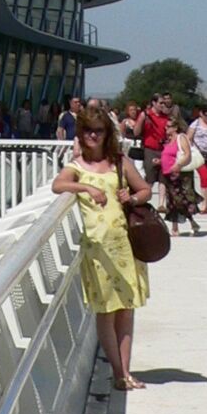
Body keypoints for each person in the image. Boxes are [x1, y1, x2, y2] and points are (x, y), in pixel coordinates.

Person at [52, 104, 151, 391]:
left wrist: (130, 198)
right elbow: (58, 185)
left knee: (126, 310)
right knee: (106, 311)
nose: (93, 136)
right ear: (80, 134)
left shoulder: (119, 161)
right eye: (87, 131)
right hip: (98, 249)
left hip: (125, 244)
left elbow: (144, 189)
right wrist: (86, 188)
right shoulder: (76, 166)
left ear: (107, 133)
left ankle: (126, 371)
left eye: (98, 131)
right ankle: (120, 373)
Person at [160, 118, 201, 236]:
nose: (166, 128)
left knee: (182, 200)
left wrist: (178, 165)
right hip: (168, 173)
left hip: (181, 174)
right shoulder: (168, 140)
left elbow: (187, 154)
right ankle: (175, 227)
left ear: (175, 127)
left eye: (168, 126)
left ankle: (192, 222)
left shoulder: (181, 137)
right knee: (172, 201)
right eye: (166, 126)